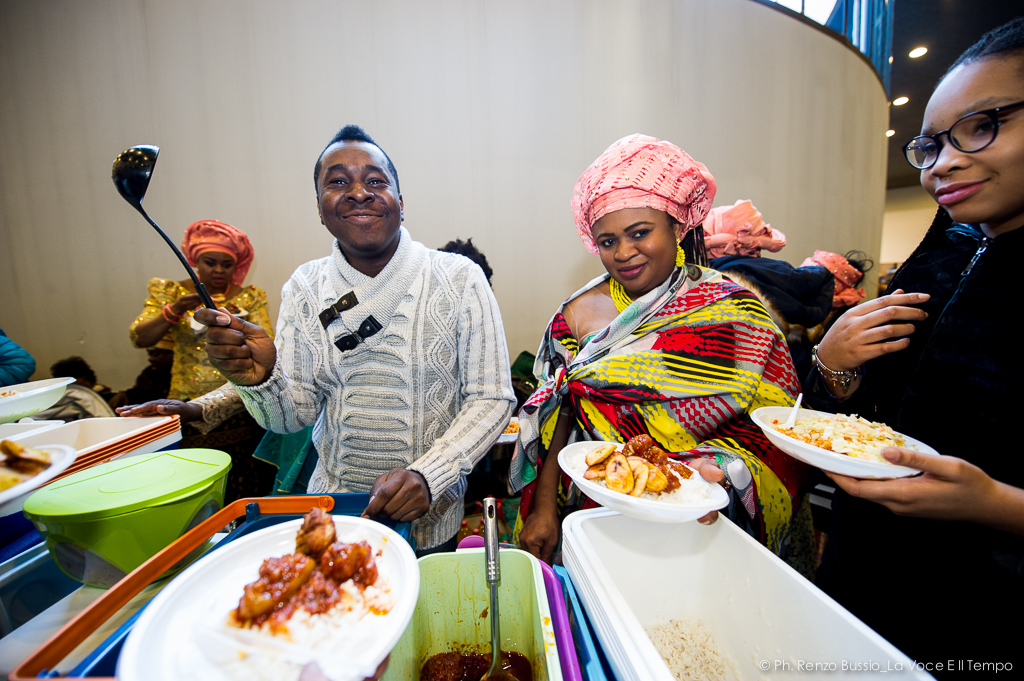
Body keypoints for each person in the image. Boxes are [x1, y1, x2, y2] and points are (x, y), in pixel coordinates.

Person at [809, 18, 1024, 669]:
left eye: (984, 125)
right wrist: (833, 362)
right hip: (864, 578)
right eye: (932, 145)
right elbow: (867, 417)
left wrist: (997, 505)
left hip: (981, 616)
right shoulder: (946, 255)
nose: (945, 163)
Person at [192, 125, 515, 554]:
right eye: (338, 181)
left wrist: (429, 475)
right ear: (320, 208)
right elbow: (292, 417)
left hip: (430, 523)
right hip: (335, 516)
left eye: (376, 181)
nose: (359, 192)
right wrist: (260, 380)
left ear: (400, 202)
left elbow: (491, 397)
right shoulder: (304, 286)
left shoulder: (459, 278)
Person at [511, 134, 809, 566]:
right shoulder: (575, 315)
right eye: (608, 241)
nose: (624, 253)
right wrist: (543, 509)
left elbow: (780, 423)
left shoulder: (734, 310)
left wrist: (727, 473)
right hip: (605, 505)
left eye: (640, 233)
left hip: (706, 513)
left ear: (677, 225)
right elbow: (559, 414)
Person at [126, 220, 276, 502]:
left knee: (242, 484)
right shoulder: (171, 293)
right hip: (184, 398)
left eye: (226, 265)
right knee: (195, 485)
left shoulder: (248, 297)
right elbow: (140, 337)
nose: (218, 270)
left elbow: (266, 349)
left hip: (239, 404)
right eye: (210, 262)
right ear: (195, 262)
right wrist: (176, 309)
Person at [34, 356, 116, 421]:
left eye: (83, 387)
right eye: (71, 387)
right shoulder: (54, 405)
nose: (75, 393)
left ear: (93, 381)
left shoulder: (108, 397)